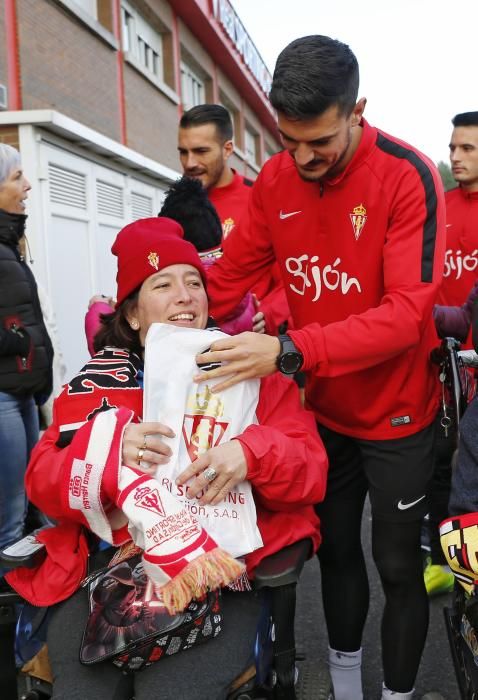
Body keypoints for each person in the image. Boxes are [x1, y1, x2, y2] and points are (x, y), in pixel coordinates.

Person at [192, 35, 446, 700]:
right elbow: (230, 278)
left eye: (321, 143)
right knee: (333, 554)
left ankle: (396, 694)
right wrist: (155, 297)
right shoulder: (275, 179)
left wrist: (288, 350)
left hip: (398, 410)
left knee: (395, 565)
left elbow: (403, 318)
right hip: (324, 412)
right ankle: (344, 689)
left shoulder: (407, 174)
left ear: (357, 109)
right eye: (288, 140)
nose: (302, 159)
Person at [6, 217, 328, 699]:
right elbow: (42, 483)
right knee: (82, 690)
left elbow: (311, 473)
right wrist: (106, 453)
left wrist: (251, 452)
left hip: (218, 568)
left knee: (174, 691)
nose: (186, 296)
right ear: (133, 315)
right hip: (107, 569)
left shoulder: (248, 372)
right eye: (163, 284)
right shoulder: (98, 386)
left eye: (194, 282)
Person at [424, 112, 478, 597]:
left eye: (469, 149)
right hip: (447, 356)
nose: (457, 158)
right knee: (444, 457)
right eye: (453, 148)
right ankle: (446, 557)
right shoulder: (437, 206)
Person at [178, 103, 290, 334]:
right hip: (193, 346)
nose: (189, 163)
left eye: (201, 151)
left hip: (252, 348)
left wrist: (268, 313)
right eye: (183, 152)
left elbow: (292, 274)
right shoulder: (177, 205)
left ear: (227, 149)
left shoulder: (261, 199)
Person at [0, 144, 53, 570]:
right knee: (10, 520)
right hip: (2, 397)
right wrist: (15, 341)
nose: (28, 185)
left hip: (22, 394)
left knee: (34, 504)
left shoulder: (8, 244)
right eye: (17, 177)